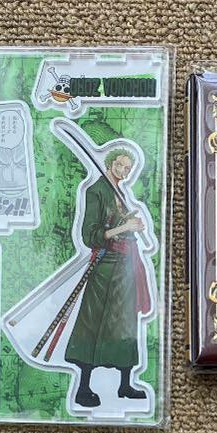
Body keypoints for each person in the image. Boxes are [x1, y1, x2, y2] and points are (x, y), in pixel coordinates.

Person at [65, 147, 153, 409]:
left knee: (125, 324)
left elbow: (122, 226)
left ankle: (125, 384)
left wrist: (133, 226)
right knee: (92, 323)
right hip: (104, 266)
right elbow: (90, 235)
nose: (123, 171)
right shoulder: (96, 191)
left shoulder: (121, 193)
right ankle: (83, 388)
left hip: (126, 265)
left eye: (127, 168)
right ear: (110, 162)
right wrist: (125, 227)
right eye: (119, 165)